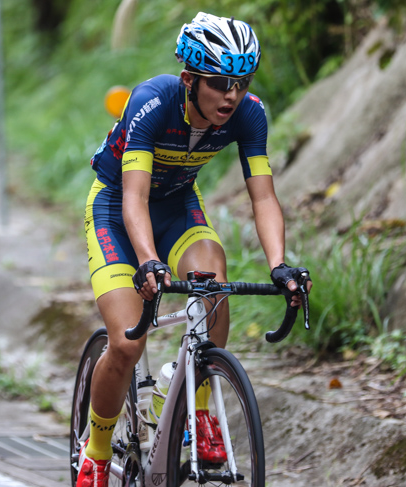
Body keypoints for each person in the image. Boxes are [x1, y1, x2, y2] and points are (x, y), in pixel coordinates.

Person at [78, 11, 312, 487]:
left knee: (213, 281)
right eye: (220, 82)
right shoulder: (152, 102)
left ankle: (194, 406)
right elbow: (133, 197)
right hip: (117, 208)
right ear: (190, 79)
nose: (232, 94)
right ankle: (96, 453)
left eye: (241, 81)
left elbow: (263, 196)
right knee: (127, 342)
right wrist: (147, 260)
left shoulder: (250, 114)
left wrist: (280, 265)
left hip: (180, 205)